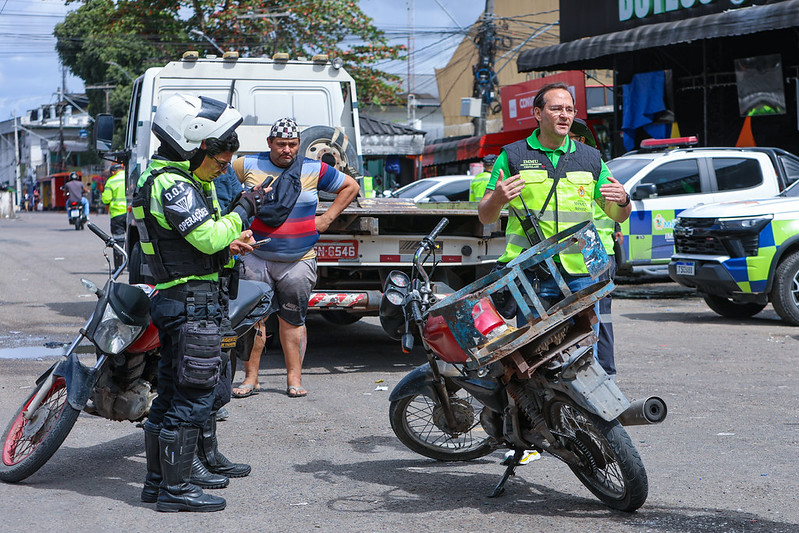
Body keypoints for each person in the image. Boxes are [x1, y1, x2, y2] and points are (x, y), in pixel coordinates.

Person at [133, 93, 269, 513]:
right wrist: (244, 209)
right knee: (192, 398)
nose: (225, 165)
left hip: (185, 300)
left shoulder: (174, 179)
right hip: (191, 305)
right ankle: (176, 491)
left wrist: (231, 243)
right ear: (192, 145)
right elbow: (208, 237)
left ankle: (157, 484)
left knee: (171, 396)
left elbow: (201, 244)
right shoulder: (173, 183)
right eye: (220, 157)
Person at [478, 82, 631, 360]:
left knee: (585, 353)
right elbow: (485, 216)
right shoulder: (513, 156)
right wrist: (497, 199)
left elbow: (616, 213)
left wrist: (623, 200)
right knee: (535, 357)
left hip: (584, 271)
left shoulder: (591, 158)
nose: (564, 115)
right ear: (538, 113)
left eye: (570, 110)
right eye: (556, 108)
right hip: (533, 272)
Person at [232, 117, 359, 398]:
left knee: (293, 321)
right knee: (252, 321)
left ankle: (294, 379)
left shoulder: (313, 168)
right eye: (281, 144)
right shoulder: (246, 164)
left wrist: (326, 219)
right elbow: (221, 187)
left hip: (299, 261)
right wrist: (233, 225)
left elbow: (351, 186)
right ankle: (250, 379)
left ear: (299, 144)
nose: (286, 150)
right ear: (269, 143)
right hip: (255, 258)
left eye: (292, 144)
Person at [570, 118, 618, 378]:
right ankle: (603, 372)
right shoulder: (594, 166)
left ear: (581, 141)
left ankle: (602, 374)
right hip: (594, 249)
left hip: (593, 250)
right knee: (597, 317)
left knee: (595, 317)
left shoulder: (588, 166)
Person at [101, 164, 127, 270]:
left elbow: (106, 199)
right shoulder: (130, 177)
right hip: (131, 213)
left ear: (113, 172)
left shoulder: (111, 181)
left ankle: (119, 267)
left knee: (118, 240)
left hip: (117, 214)